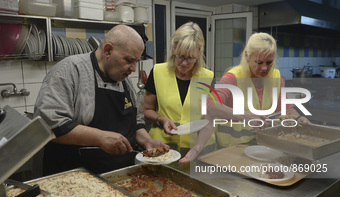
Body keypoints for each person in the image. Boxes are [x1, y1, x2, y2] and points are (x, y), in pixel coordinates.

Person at [34, 25, 168, 175]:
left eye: (136, 61)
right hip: (75, 178)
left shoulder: (124, 80)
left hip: (120, 175)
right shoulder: (70, 70)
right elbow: (49, 126)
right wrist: (100, 137)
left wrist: (147, 141)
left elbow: (135, 123)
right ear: (108, 51)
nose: (133, 69)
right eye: (130, 60)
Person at [180, 32, 310, 164]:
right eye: (259, 62)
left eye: (269, 62)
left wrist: (299, 118)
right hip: (231, 150)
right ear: (247, 56)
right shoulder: (233, 77)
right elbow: (210, 105)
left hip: (262, 147)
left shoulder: (276, 77)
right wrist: (244, 116)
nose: (264, 68)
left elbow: (286, 109)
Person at [143, 22, 215, 157]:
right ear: (174, 49)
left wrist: (196, 149)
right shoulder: (158, 72)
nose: (184, 63)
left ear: (199, 53)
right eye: (181, 56)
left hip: (199, 148)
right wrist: (161, 119)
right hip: (164, 146)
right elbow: (147, 109)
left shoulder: (208, 77)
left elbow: (209, 120)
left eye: (191, 58)